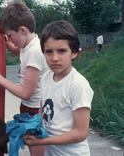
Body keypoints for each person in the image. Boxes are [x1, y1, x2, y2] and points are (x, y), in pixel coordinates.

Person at [0, 0, 48, 156]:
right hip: (28, 108)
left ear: (22, 30)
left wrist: (0, 79)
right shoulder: (27, 46)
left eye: (10, 35)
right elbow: (18, 51)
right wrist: (8, 43)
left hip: (36, 111)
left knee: (36, 150)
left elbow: (25, 92)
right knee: (31, 145)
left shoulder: (34, 51)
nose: (10, 39)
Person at [24, 20, 94, 156]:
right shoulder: (45, 77)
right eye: (49, 52)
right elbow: (42, 111)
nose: (54, 58)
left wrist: (43, 141)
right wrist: (32, 127)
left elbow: (80, 133)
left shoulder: (78, 84)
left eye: (62, 51)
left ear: (74, 53)